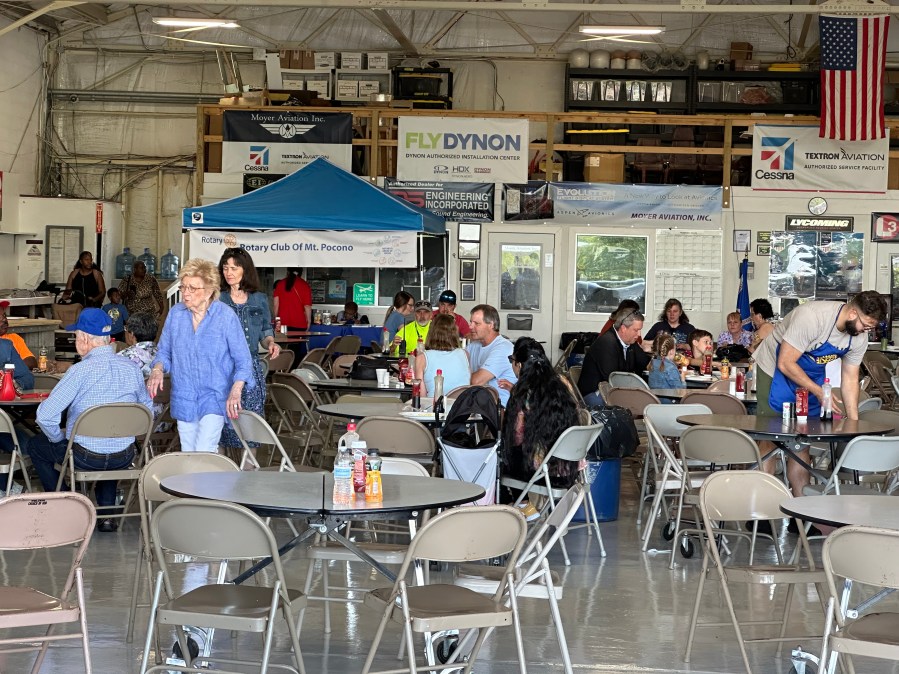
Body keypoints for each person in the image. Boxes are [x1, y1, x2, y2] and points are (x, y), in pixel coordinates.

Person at [27, 308, 152, 533]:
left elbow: (45, 416)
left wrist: (60, 439)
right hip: (124, 456)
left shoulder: (80, 371)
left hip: (85, 457)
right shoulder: (131, 369)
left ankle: (68, 506)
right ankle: (106, 515)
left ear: (84, 338)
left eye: (76, 336)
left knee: (36, 445)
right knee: (113, 437)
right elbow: (147, 410)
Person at [753, 291, 887, 499]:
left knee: (803, 439)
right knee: (771, 436)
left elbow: (850, 379)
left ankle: (802, 509)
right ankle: (760, 508)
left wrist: (853, 424)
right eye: (866, 324)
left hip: (810, 374)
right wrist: (817, 391)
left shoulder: (858, 338)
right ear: (852, 313)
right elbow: (785, 362)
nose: (867, 331)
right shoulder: (812, 318)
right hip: (775, 369)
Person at [147, 258, 254, 453]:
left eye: (193, 288)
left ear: (209, 291)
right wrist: (157, 369)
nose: (186, 294)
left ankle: (207, 483)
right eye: (183, 287)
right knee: (189, 452)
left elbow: (243, 361)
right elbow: (164, 351)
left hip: (214, 395)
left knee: (205, 450)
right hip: (184, 395)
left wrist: (236, 390)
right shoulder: (176, 314)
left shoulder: (225, 317)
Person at [501, 337, 580, 502]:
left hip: (541, 471)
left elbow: (516, 436)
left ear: (520, 365)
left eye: (512, 360)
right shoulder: (563, 383)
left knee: (501, 461)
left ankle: (524, 509)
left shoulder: (524, 392)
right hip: (570, 466)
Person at [217, 248, 279, 451]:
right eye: (226, 267)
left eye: (234, 267)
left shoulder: (259, 299)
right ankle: (223, 470)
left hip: (250, 368)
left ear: (246, 270)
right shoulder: (217, 298)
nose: (229, 272)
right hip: (222, 367)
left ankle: (248, 471)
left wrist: (270, 342)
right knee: (221, 422)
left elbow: (264, 331)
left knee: (250, 423)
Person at [577, 309, 650, 406]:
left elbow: (645, 363)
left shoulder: (629, 341)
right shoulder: (607, 343)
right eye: (636, 330)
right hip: (595, 395)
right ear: (623, 328)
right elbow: (613, 379)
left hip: (613, 390)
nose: (639, 335)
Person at [467, 304, 516, 406]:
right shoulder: (473, 345)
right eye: (471, 322)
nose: (470, 326)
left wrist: (462, 375)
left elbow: (476, 381)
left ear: (491, 325)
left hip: (499, 409)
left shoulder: (504, 348)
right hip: (479, 404)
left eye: (476, 323)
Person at [413, 313, 470, 396]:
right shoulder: (465, 354)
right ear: (454, 333)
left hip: (434, 407)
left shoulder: (422, 358)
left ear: (431, 332)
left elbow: (421, 396)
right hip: (462, 406)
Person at [0, 302, 37, 369]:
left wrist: (7, 369)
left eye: (4, 316)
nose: (4, 320)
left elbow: (31, 362)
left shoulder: (14, 338)